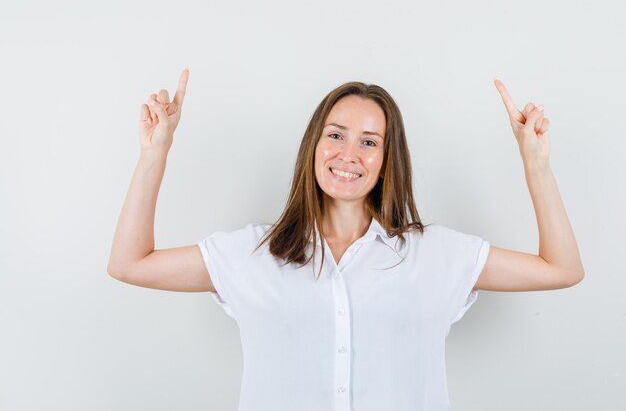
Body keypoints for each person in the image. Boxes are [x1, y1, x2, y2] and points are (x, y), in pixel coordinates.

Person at [107, 68, 585, 411]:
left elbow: (561, 269)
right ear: (314, 145)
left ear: (386, 159)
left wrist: (535, 165)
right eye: (336, 135)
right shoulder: (253, 255)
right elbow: (130, 263)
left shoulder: (436, 255)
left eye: (370, 141)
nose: (349, 154)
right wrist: (155, 154)